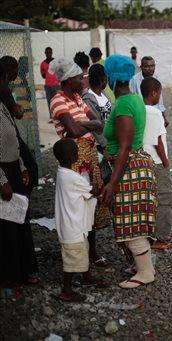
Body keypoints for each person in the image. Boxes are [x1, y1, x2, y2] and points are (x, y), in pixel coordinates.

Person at [49, 57, 111, 268]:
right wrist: (88, 125)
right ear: (67, 81)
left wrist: (83, 125)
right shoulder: (58, 100)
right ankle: (80, 252)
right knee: (80, 205)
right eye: (78, 78)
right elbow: (73, 132)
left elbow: (99, 124)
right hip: (74, 157)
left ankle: (90, 252)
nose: (83, 81)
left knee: (92, 201)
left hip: (89, 153)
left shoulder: (77, 98)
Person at [102, 54, 157, 289]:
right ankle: (142, 265)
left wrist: (112, 183)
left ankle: (146, 272)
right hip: (137, 165)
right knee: (134, 218)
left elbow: (124, 146)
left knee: (130, 220)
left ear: (111, 77)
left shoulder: (123, 104)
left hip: (128, 167)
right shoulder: (134, 99)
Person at [53, 138, 107, 302]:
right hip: (72, 227)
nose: (79, 154)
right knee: (73, 258)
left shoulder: (63, 172)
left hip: (71, 224)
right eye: (77, 152)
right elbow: (92, 192)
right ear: (72, 157)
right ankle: (66, 289)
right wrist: (107, 187)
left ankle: (86, 276)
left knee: (81, 251)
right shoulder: (73, 178)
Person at [0, 63, 39, 287]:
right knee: (8, 226)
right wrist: (3, 181)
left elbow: (13, 140)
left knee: (20, 219)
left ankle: (23, 270)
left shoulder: (4, 106)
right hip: (4, 173)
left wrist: (23, 167)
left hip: (13, 169)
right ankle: (11, 275)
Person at [141, 76, 172, 251]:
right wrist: (166, 162)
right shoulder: (154, 112)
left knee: (149, 199)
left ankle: (149, 234)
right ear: (154, 93)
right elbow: (158, 141)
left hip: (144, 160)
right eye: (159, 93)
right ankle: (161, 238)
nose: (159, 96)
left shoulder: (139, 110)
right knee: (165, 199)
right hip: (157, 161)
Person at [129, 56, 168, 127]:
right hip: (141, 116)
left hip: (155, 115)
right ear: (141, 67)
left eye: (152, 66)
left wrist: (164, 117)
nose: (150, 69)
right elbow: (132, 100)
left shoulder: (156, 79)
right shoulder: (134, 80)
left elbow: (160, 101)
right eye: (147, 66)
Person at [81, 63, 111, 150]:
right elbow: (95, 125)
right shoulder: (88, 99)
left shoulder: (103, 94)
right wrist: (105, 145)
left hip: (110, 140)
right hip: (102, 145)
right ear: (102, 79)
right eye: (106, 77)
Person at [40, 47, 60, 122]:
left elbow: (59, 71)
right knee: (49, 101)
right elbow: (43, 75)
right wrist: (48, 74)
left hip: (56, 85)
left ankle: (58, 116)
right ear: (45, 53)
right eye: (47, 52)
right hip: (48, 85)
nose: (48, 54)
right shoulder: (42, 63)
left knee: (57, 101)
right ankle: (52, 117)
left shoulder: (56, 62)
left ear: (52, 53)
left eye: (50, 52)